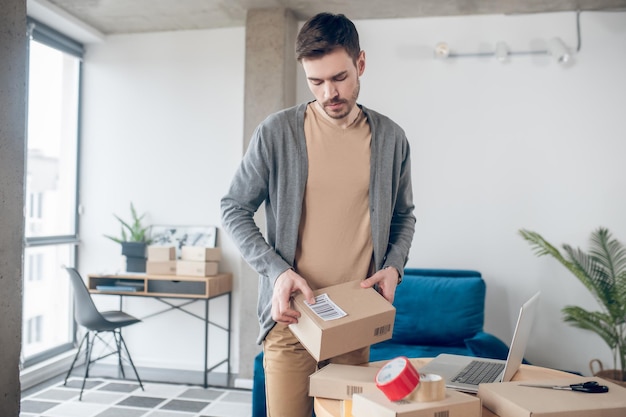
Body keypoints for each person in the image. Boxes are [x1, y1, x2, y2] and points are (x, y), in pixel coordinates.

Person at [221, 12, 416, 417]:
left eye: (340, 77)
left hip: (354, 322)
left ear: (360, 64)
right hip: (291, 320)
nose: (330, 92)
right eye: (316, 81)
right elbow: (234, 208)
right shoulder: (276, 133)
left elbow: (404, 217)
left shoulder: (391, 139)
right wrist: (277, 272)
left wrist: (394, 267)